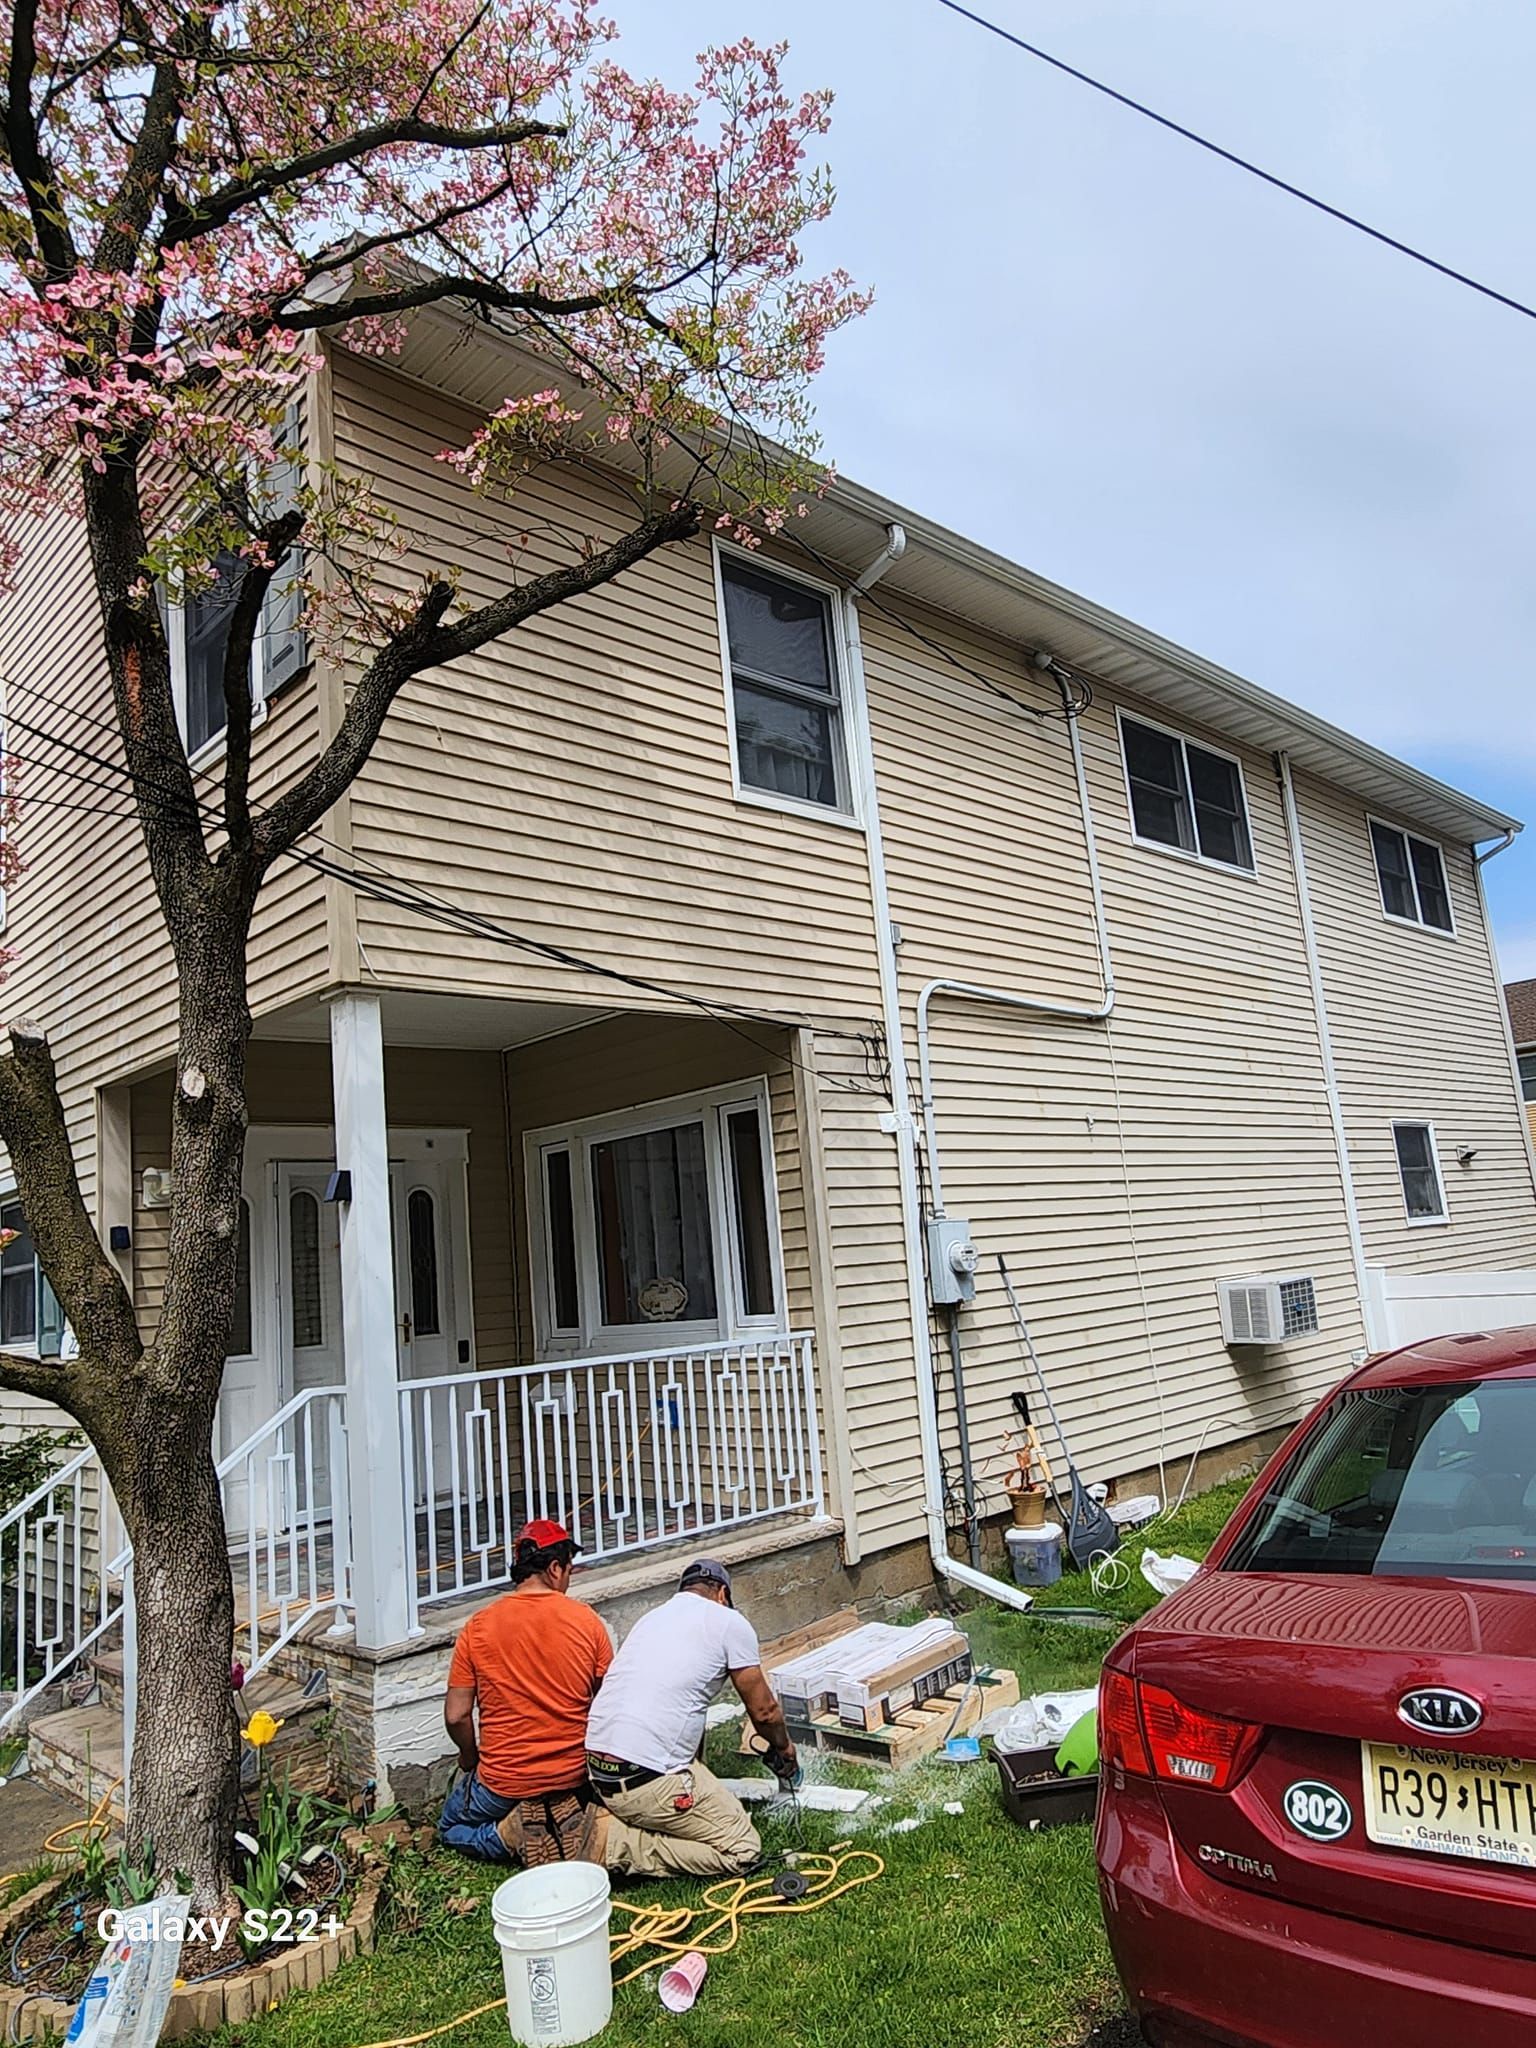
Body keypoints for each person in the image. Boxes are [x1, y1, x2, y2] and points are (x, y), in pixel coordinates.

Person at [583, 1556, 796, 1879]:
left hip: (599, 1773)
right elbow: (764, 1712)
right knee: (742, 1850)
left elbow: (679, 1703)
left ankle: (617, 1815)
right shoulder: (728, 1621)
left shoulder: (652, 1618)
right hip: (645, 1782)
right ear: (722, 1594)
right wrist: (785, 1749)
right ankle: (614, 1843)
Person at [438, 1519, 612, 1865]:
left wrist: (469, 1757)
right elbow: (608, 1700)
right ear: (554, 1568)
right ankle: (559, 1815)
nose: (568, 1580)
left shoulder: (478, 1627)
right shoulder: (587, 1621)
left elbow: (456, 1715)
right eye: (569, 1571)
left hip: (505, 1780)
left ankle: (506, 1834)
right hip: (573, 1773)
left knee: (450, 1827)